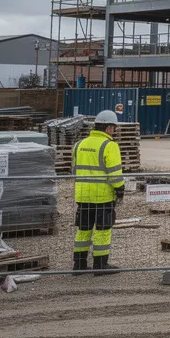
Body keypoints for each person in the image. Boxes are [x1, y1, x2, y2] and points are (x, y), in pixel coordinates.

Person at [73, 110, 125, 274]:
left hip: (83, 196)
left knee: (83, 230)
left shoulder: (79, 145)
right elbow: (115, 172)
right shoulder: (109, 146)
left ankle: (79, 265)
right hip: (102, 197)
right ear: (109, 128)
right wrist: (120, 189)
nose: (114, 131)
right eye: (113, 128)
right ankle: (100, 265)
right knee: (103, 231)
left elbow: (75, 169)